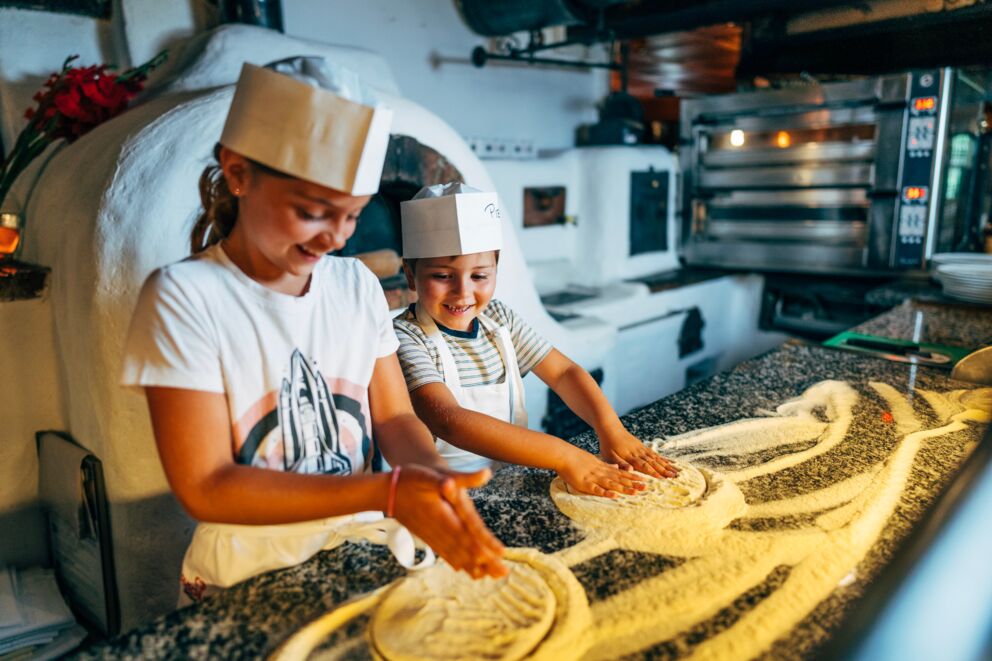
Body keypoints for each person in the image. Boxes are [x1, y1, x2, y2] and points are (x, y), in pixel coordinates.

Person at [121, 59, 505, 604]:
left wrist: (435, 485)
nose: (336, 237)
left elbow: (393, 416)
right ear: (237, 174)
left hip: (358, 556)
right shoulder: (186, 298)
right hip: (246, 577)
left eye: (352, 216)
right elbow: (206, 485)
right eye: (312, 212)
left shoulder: (354, 285)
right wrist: (390, 490)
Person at [393, 182, 678, 499]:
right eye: (442, 276)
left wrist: (612, 430)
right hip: (444, 495)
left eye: (479, 276)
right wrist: (566, 455)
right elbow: (449, 421)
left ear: (496, 270)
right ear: (409, 274)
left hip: (511, 480)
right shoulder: (405, 338)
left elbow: (563, 373)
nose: (463, 292)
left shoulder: (499, 320)